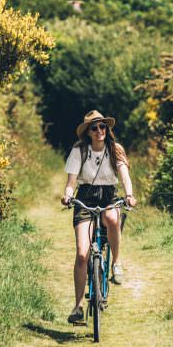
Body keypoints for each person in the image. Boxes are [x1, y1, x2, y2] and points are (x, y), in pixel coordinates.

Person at [61, 109, 136, 324]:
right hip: (85, 198)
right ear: (88, 132)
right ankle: (77, 307)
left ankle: (116, 264)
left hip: (109, 196)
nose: (99, 130)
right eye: (94, 128)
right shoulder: (79, 151)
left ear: (107, 129)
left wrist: (129, 195)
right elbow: (71, 182)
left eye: (103, 126)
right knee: (82, 254)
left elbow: (124, 176)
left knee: (112, 219)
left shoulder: (115, 150)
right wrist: (67, 195)